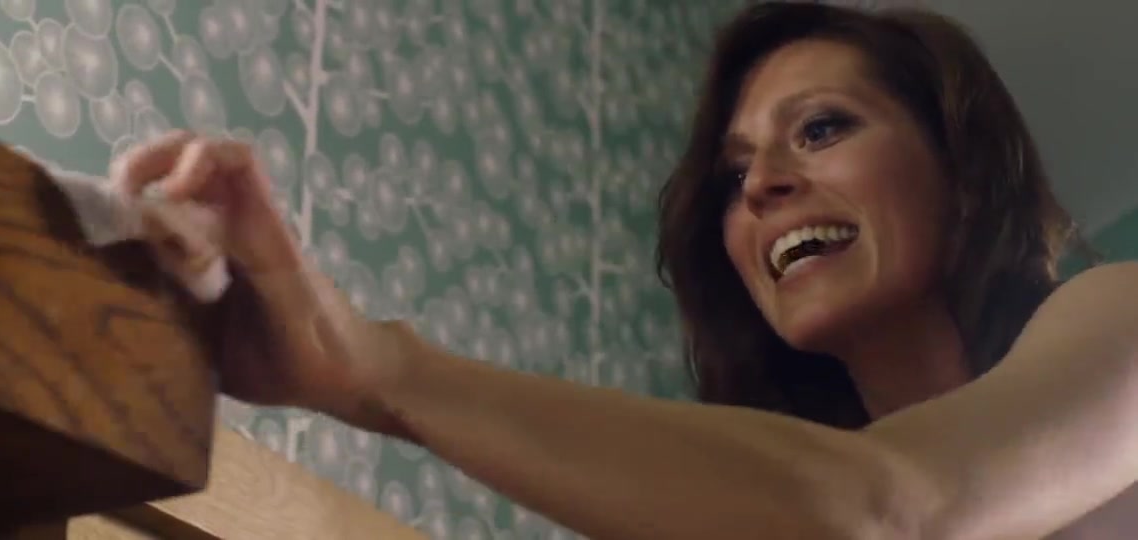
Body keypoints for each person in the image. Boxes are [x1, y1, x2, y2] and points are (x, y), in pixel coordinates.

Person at [112, 3, 1138, 539]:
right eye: (733, 173)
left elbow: (889, 510)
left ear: (961, 169)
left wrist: (376, 370)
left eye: (822, 128)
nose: (761, 185)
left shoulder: (1119, 310)